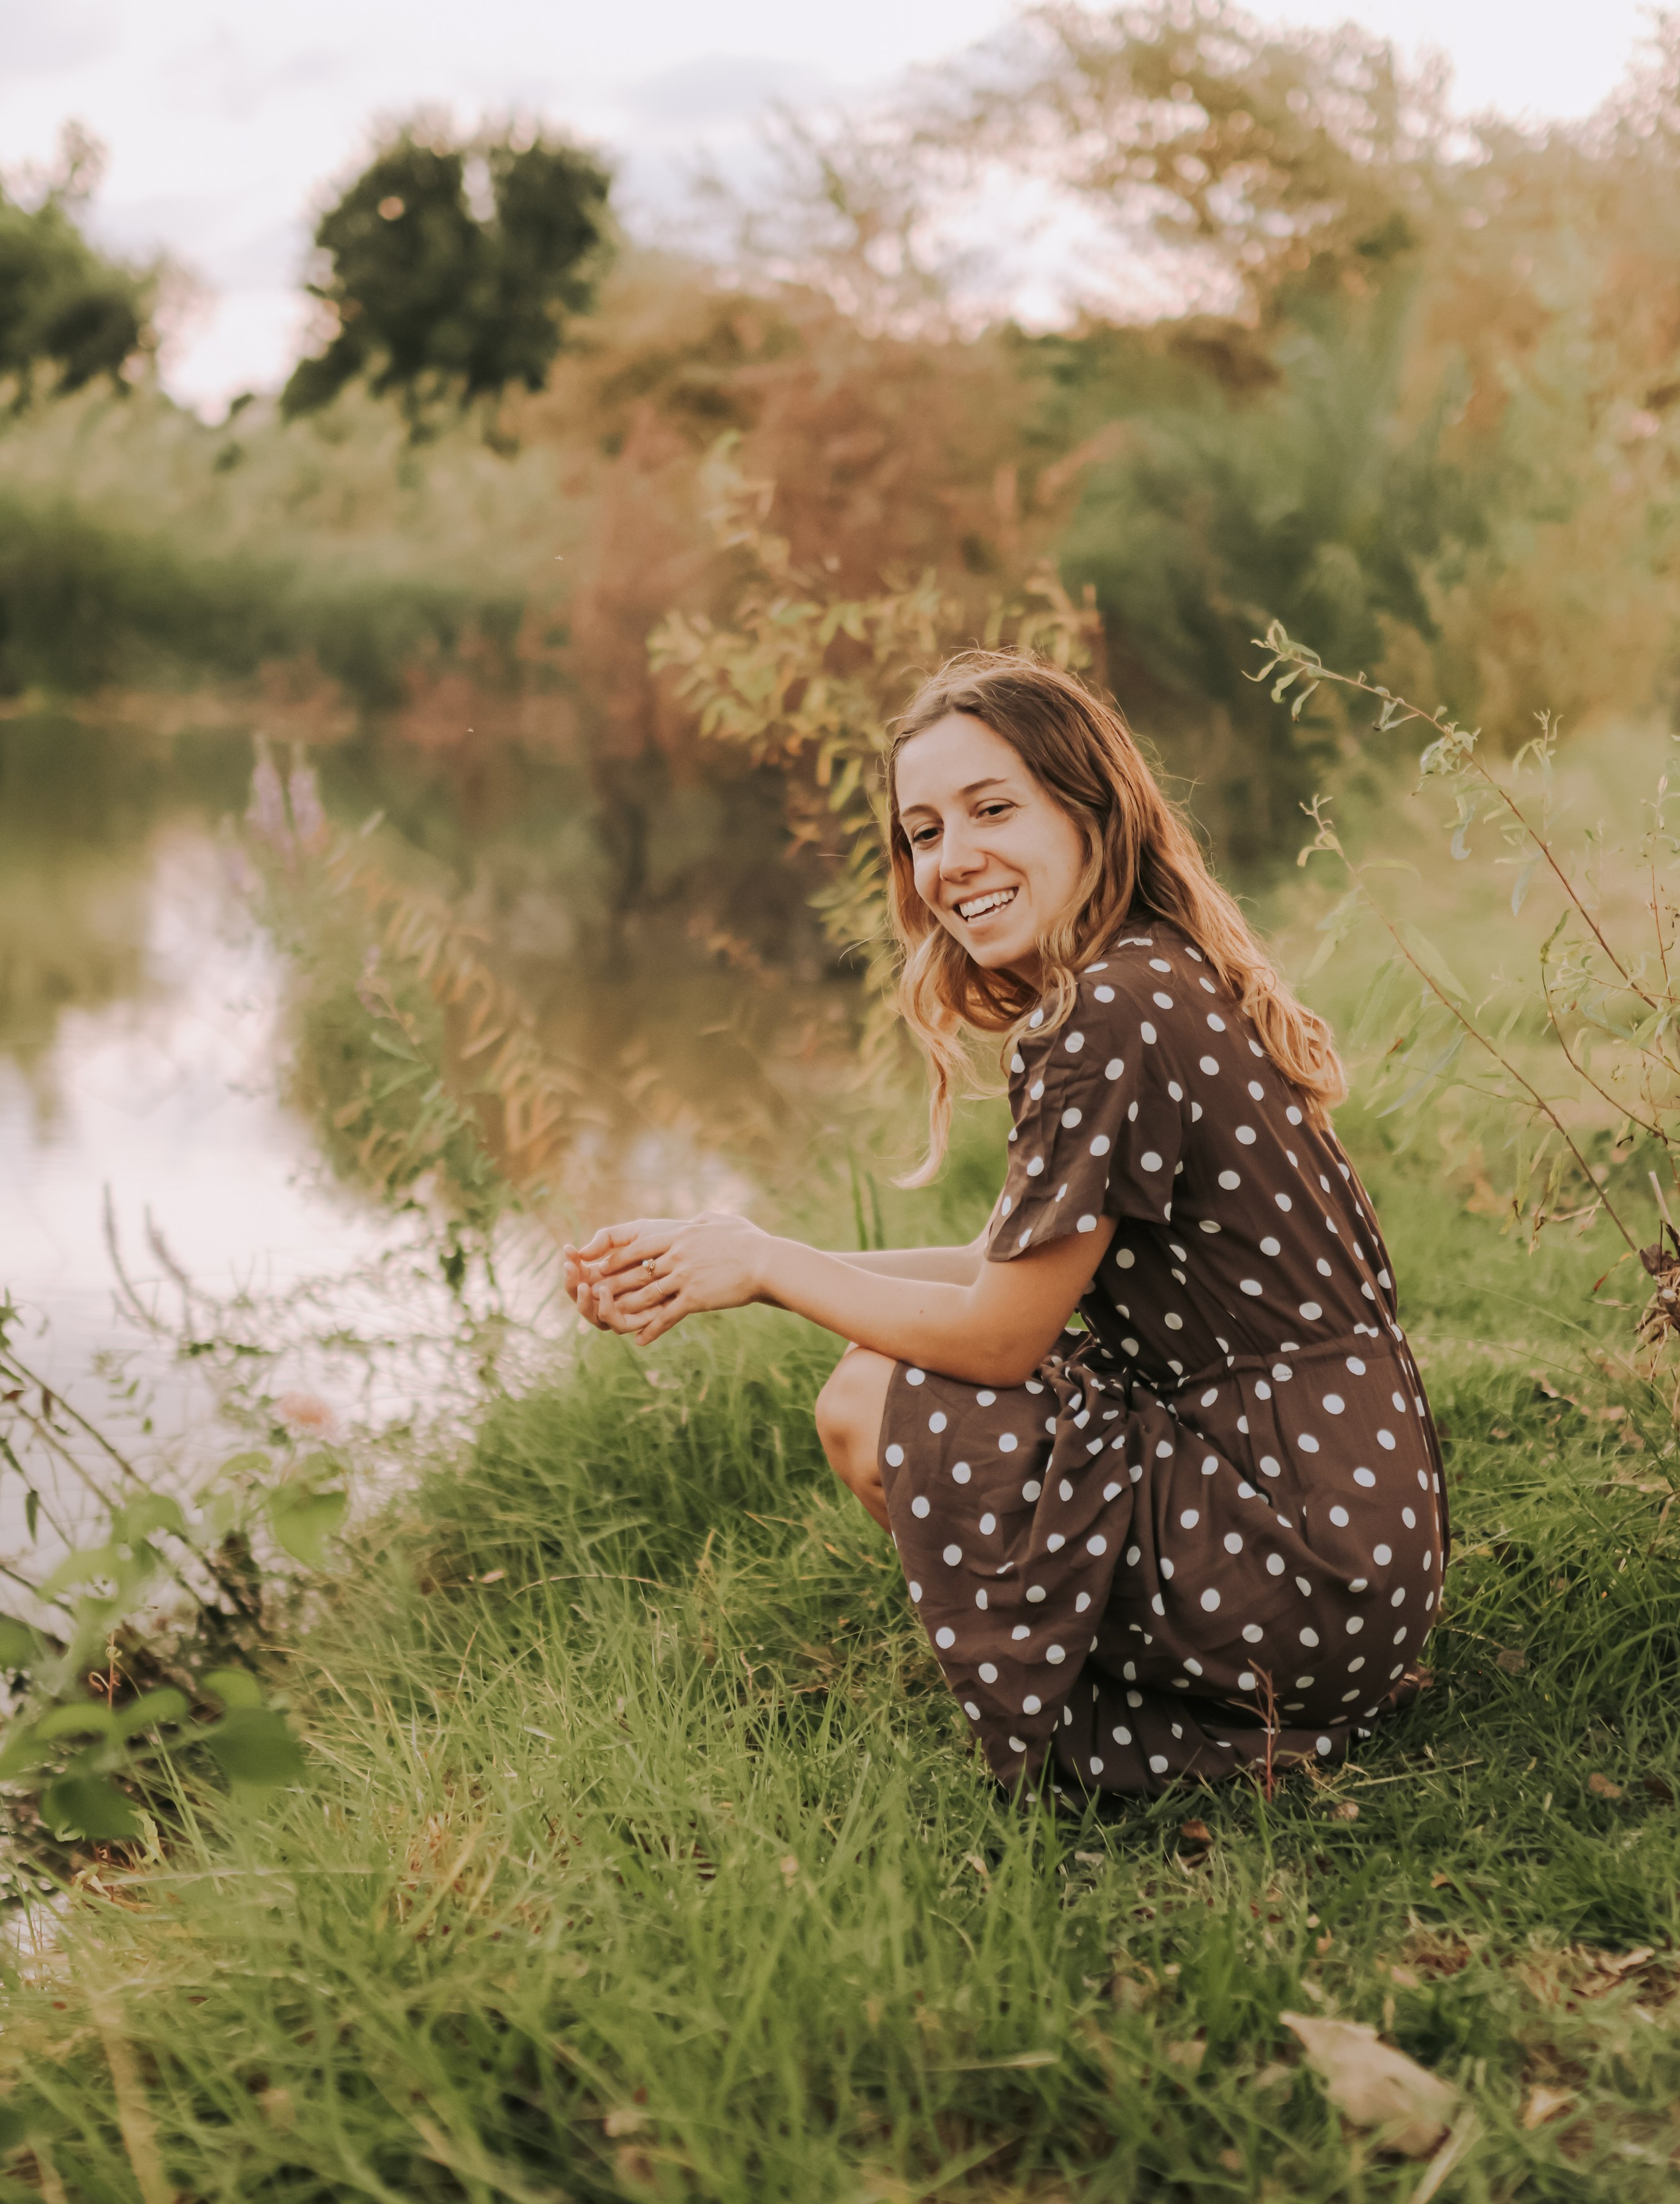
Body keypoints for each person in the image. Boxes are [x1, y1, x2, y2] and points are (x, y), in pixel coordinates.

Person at [564, 652, 1447, 1798]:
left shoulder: (1106, 1017)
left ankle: (1148, 1714)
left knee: (872, 1399)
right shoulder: (1157, 970)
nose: (951, 861)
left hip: (1306, 1551)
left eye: (992, 809)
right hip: (1357, 1543)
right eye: (923, 832)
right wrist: (730, 1254)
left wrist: (773, 1265)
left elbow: (998, 1338)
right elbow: (1009, 1271)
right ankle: (1156, 1688)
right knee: (895, 1368)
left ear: (1092, 810)